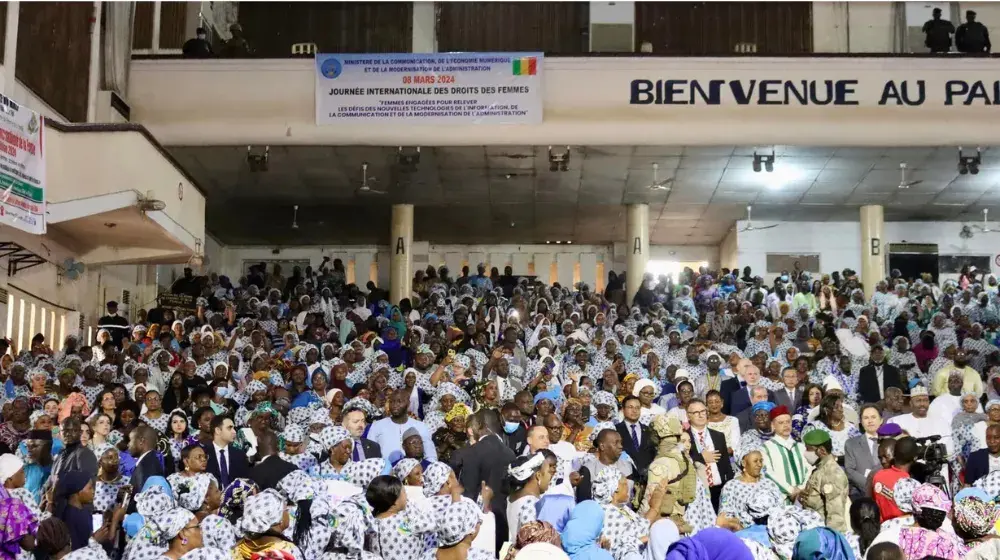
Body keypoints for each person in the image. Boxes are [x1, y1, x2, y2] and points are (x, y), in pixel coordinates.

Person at [451, 408, 516, 552]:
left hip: (476, 524)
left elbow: (467, 493)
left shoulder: (472, 452)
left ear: (479, 427)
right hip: (502, 519)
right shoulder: (510, 453)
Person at [686, 398, 733, 511]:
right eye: (696, 412)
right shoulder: (684, 437)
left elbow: (726, 465)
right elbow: (683, 461)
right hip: (697, 491)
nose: (700, 415)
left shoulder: (718, 436)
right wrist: (701, 458)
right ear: (688, 416)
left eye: (703, 411)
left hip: (719, 489)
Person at [799, 429, 849, 533]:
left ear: (821, 450)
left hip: (822, 533)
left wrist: (832, 540)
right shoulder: (820, 470)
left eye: (809, 449)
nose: (805, 453)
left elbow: (835, 514)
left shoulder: (832, 473)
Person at [368, 390, 437, 464]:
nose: (394, 405)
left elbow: (430, 455)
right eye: (391, 402)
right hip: (386, 472)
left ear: (408, 404)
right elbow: (370, 455)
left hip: (415, 472)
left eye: (399, 401)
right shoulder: (377, 425)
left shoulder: (420, 426)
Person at [760, 405, 809, 501]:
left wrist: (801, 489)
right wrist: (791, 490)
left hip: (804, 496)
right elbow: (768, 473)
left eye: (788, 422)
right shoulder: (766, 448)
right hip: (781, 499)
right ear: (773, 426)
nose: (786, 425)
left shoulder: (800, 446)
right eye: (781, 423)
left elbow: (809, 469)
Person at [872, 436, 917, 523]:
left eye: (886, 456)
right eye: (880, 458)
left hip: (885, 529)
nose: (883, 461)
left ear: (895, 454)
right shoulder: (911, 483)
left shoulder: (878, 476)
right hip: (907, 528)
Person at [844, 404, 882, 499]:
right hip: (862, 494)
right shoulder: (851, 444)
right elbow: (850, 471)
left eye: (873, 417)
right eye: (866, 418)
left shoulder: (888, 441)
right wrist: (870, 485)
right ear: (861, 422)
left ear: (881, 420)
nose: (870, 421)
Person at [52, 470, 95, 551]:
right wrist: (96, 540)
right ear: (77, 491)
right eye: (90, 488)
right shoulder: (72, 516)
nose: (93, 491)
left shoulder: (83, 511)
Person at [615, 396, 655, 480]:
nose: (634, 411)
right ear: (623, 409)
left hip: (648, 478)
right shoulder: (615, 430)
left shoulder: (649, 430)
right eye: (630, 407)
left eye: (637, 408)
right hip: (625, 478)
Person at [205, 416, 250, 489]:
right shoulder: (203, 453)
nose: (234, 432)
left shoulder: (240, 455)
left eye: (234, 428)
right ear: (218, 430)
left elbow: (245, 482)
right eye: (229, 428)